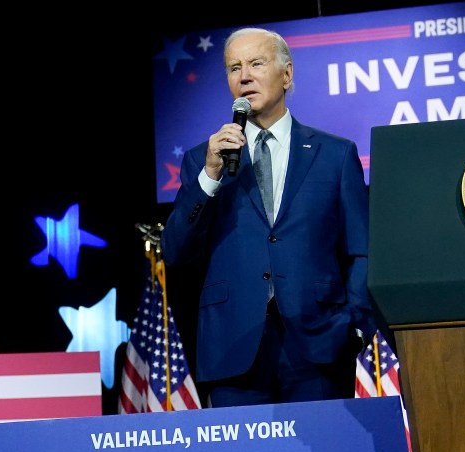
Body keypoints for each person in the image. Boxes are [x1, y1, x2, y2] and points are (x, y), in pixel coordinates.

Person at [161, 27, 375, 408]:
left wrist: (355, 326)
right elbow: (176, 252)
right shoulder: (204, 159)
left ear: (287, 74)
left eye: (256, 64)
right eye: (233, 68)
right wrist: (209, 176)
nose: (244, 76)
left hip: (320, 343)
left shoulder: (335, 154)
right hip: (233, 346)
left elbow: (362, 250)